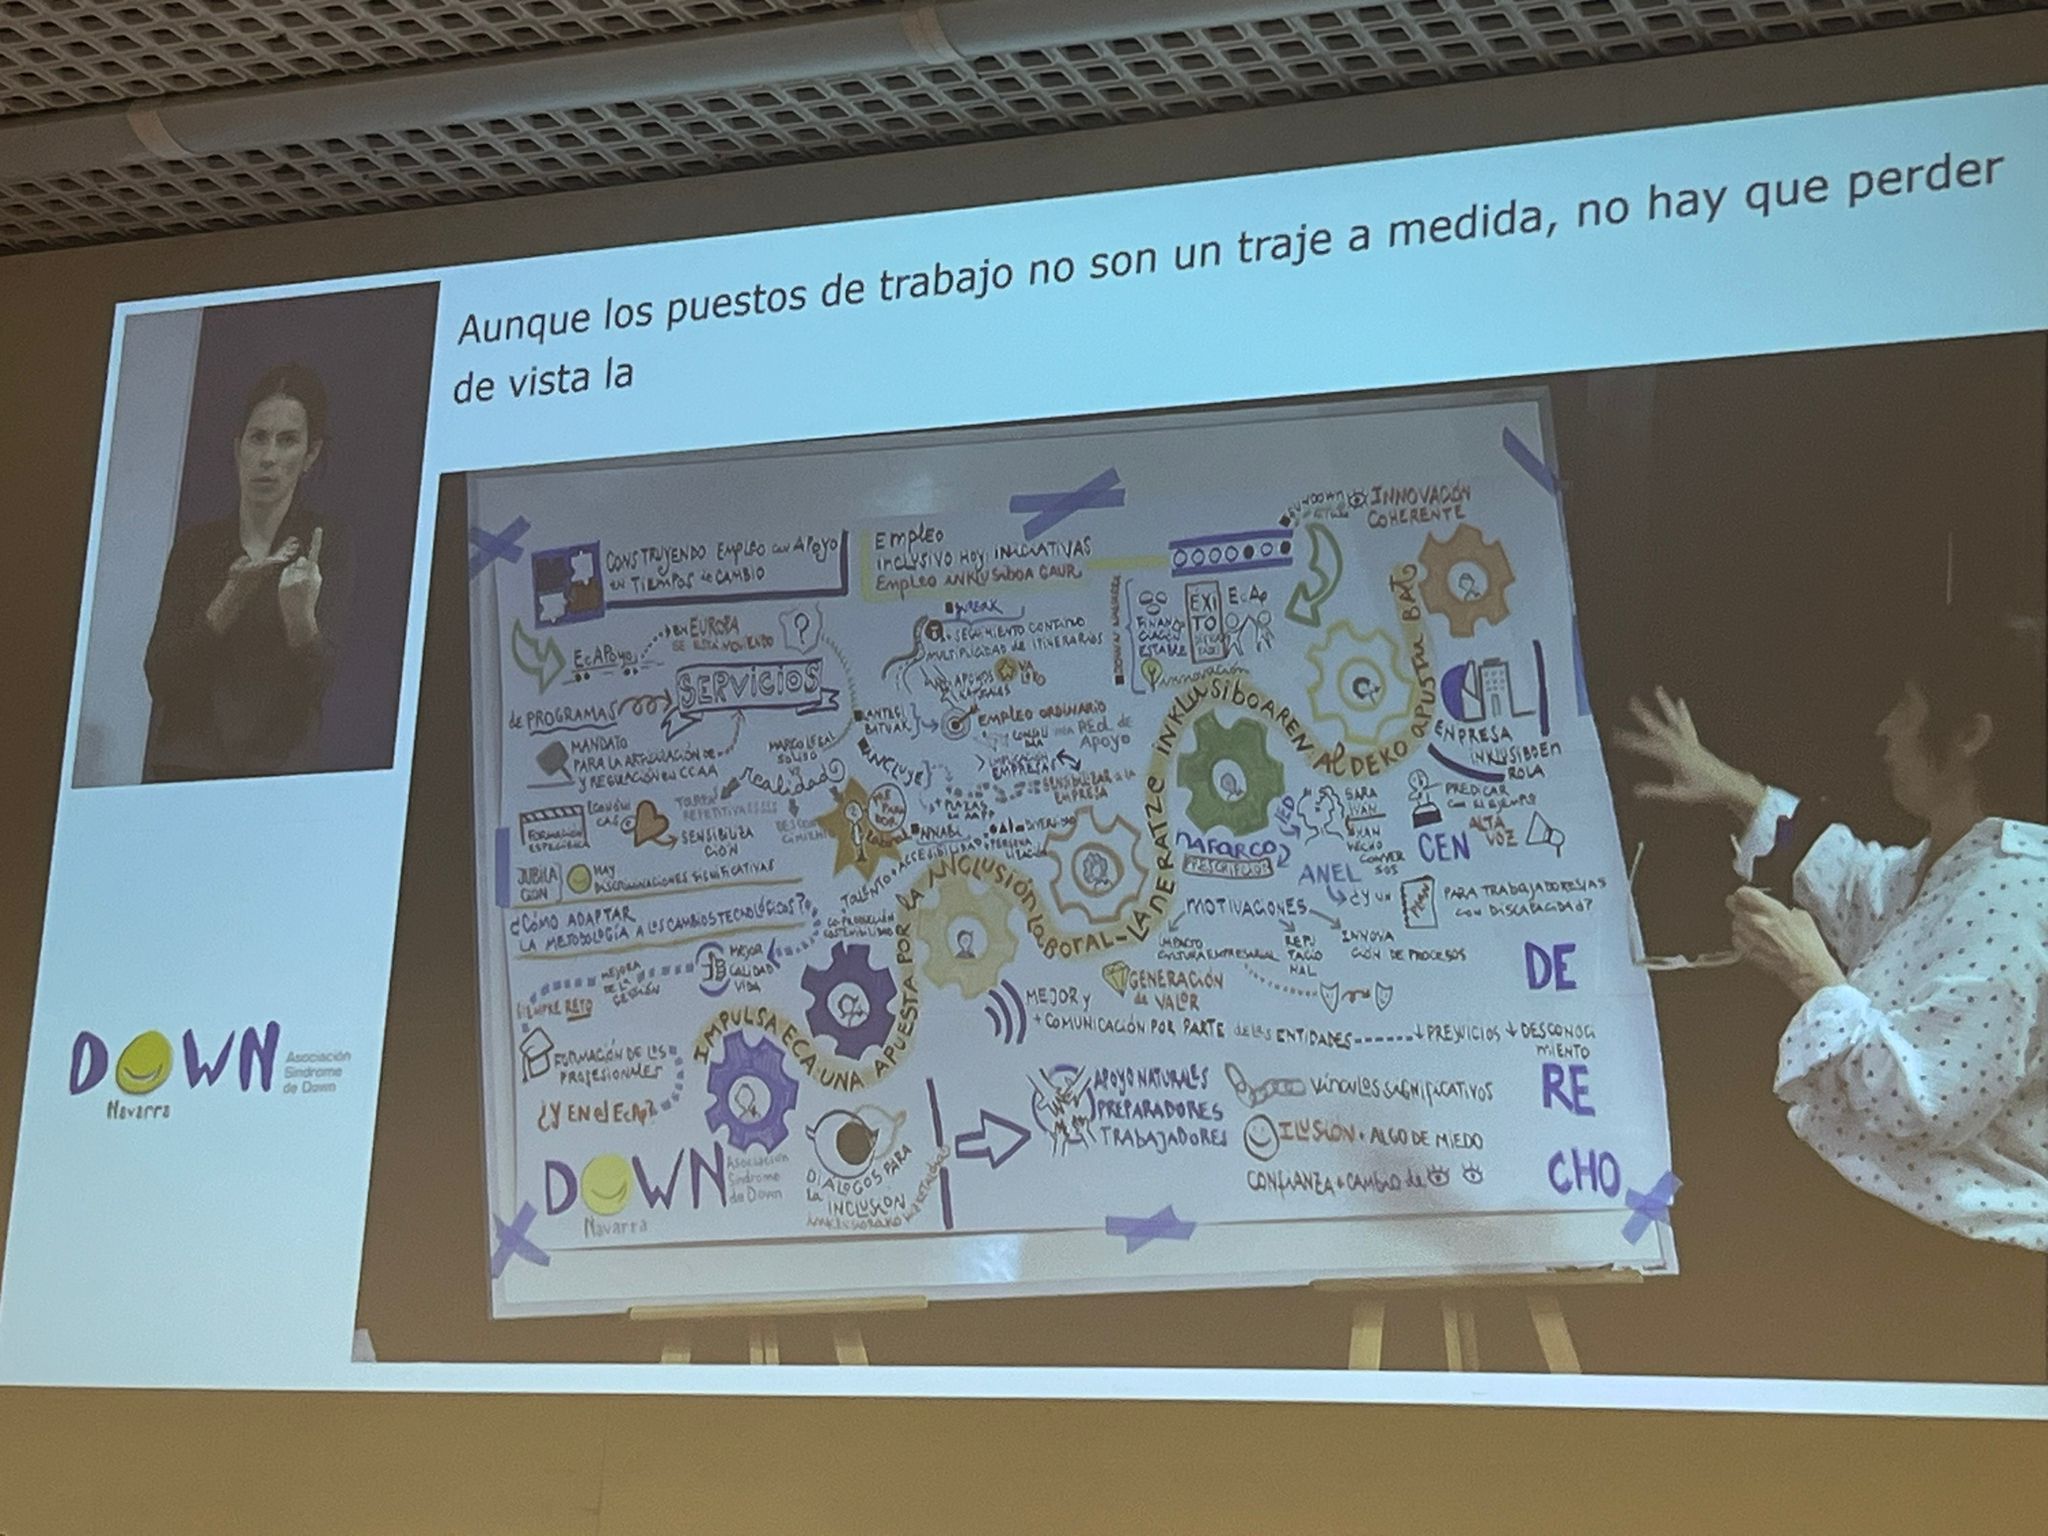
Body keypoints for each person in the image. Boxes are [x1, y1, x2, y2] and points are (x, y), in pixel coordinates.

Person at [1614, 611, 2047, 1251]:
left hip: (1938, 1246)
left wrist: (1811, 975)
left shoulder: (2013, 896)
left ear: (1970, 734)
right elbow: (1864, 889)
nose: (1886, 728)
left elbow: (1924, 1105)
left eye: (1908, 708)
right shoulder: (1964, 861)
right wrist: (1733, 788)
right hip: (1884, 1205)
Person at [143, 363, 352, 779]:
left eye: (287, 440)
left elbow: (321, 684)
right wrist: (230, 598)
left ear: (310, 455)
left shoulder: (324, 544)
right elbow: (160, 678)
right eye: (258, 438)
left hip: (278, 776)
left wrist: (299, 619)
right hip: (187, 770)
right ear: (238, 447)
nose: (268, 457)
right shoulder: (197, 546)